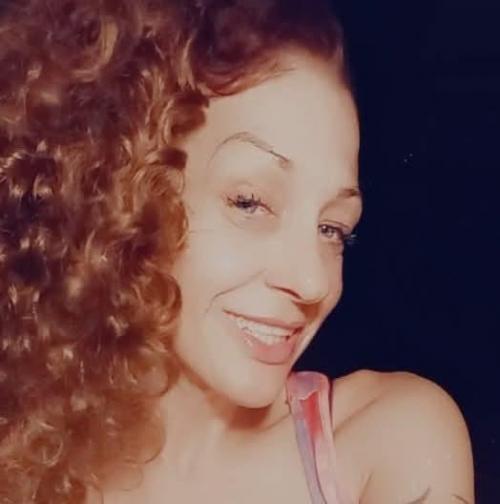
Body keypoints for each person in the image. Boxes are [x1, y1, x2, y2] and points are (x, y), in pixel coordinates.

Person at [0, 0, 474, 502]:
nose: (313, 282)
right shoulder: (24, 457)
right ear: (121, 194)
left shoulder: (387, 440)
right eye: (250, 203)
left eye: (333, 229)